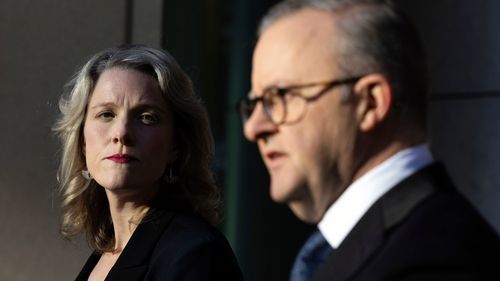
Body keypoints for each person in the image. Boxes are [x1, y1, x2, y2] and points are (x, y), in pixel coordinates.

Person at [239, 0, 500, 280]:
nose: (254, 128)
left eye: (279, 97)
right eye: (254, 104)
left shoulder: (434, 260)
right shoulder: (371, 245)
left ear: (370, 103)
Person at [54, 44, 244, 281]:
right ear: (83, 142)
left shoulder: (195, 252)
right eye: (106, 114)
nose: (121, 133)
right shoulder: (106, 252)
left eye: (146, 117)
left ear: (175, 145)